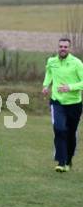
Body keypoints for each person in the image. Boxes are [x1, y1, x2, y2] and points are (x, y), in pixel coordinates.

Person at [42, 38, 83, 172]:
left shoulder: (77, 63)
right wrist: (46, 85)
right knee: (59, 129)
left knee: (70, 133)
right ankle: (61, 161)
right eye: (61, 46)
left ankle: (69, 159)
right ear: (58, 47)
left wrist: (70, 87)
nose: (63, 49)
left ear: (69, 49)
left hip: (74, 104)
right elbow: (49, 73)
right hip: (57, 102)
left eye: (65, 47)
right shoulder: (51, 61)